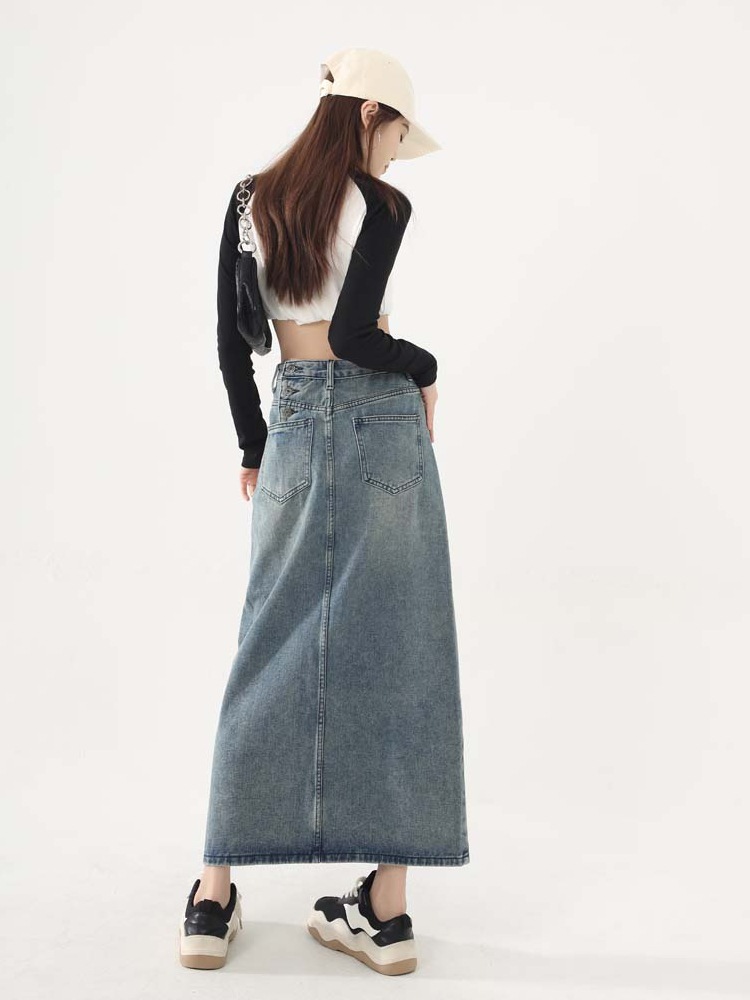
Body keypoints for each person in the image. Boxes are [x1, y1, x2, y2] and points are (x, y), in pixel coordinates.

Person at [178, 47, 470, 977]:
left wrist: (255, 446)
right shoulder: (382, 205)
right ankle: (386, 912)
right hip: (382, 424)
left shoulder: (251, 198)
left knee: (269, 638)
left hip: (296, 419)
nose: (394, 155)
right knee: (403, 642)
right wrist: (425, 367)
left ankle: (213, 897)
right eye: (395, 135)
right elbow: (357, 336)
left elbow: (232, 344)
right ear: (369, 114)